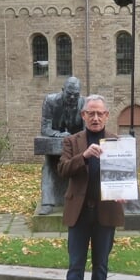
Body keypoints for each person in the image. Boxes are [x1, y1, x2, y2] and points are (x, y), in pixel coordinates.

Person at [50, 95, 126, 280]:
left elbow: (125, 174)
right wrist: (83, 157)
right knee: (75, 266)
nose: (95, 118)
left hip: (106, 211)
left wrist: (123, 190)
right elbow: (62, 169)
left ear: (106, 116)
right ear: (83, 116)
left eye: (99, 114)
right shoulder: (72, 141)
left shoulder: (116, 142)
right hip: (79, 212)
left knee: (101, 265)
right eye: (90, 114)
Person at [38, 76, 85, 214]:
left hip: (77, 145)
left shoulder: (84, 103)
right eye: (69, 94)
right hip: (57, 141)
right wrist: (59, 135)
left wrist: (74, 138)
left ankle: (82, 202)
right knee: (48, 165)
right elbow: (45, 128)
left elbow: (86, 129)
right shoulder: (50, 101)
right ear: (63, 90)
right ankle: (47, 202)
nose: (72, 97)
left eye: (75, 95)